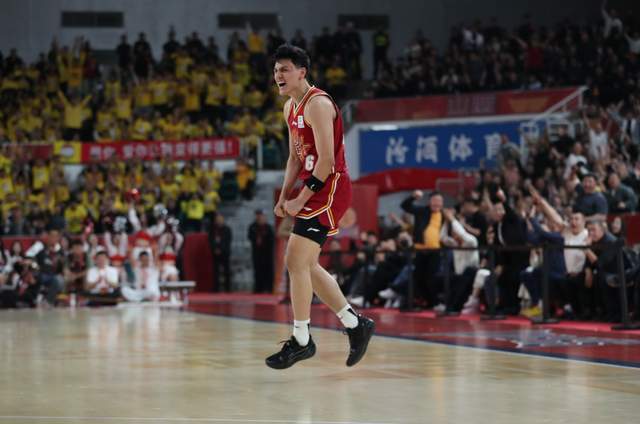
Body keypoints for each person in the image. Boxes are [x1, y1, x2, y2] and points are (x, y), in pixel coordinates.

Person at [266, 44, 374, 370]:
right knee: (306, 265)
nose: (278, 75)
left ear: (302, 72)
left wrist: (301, 198)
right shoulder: (289, 107)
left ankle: (302, 340)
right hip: (313, 187)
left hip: (331, 187)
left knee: (295, 259)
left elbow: (326, 161)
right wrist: (284, 196)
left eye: (285, 69)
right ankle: (355, 324)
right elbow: (294, 157)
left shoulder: (319, 104)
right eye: (276, 71)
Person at [248, 209, 275, 293]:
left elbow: (271, 240)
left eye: (261, 216)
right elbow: (250, 237)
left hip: (267, 253)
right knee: (257, 270)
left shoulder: (268, 227)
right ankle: (258, 288)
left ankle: (269, 288)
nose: (259, 218)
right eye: (258, 216)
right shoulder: (252, 227)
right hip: (257, 253)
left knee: (268, 270)